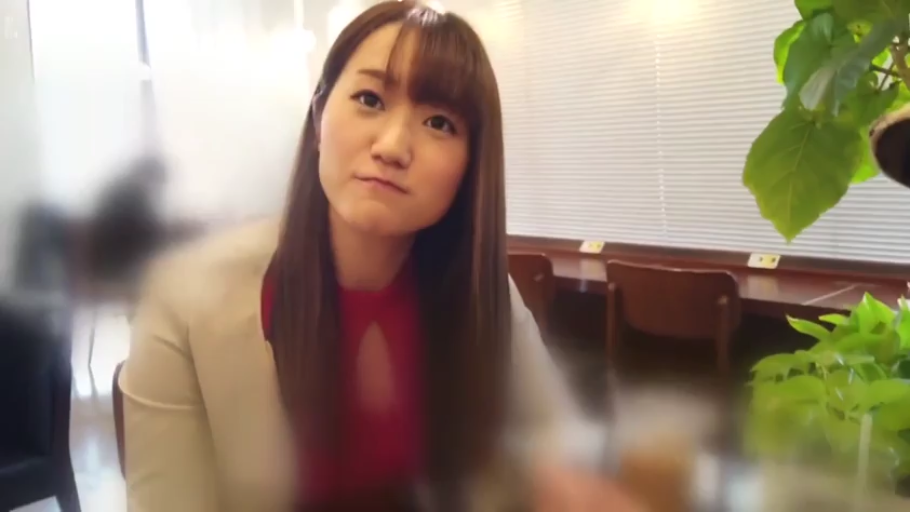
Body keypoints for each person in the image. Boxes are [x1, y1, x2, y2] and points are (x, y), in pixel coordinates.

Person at [119, 2, 642, 511]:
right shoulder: (183, 301)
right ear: (320, 116)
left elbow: (559, 448)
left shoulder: (483, 290)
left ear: (469, 167)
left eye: (439, 123)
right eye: (370, 99)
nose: (393, 146)